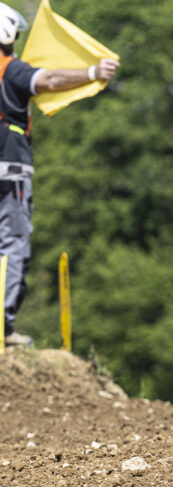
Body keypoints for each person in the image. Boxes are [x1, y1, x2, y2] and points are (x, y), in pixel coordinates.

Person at [0, 2, 119, 347]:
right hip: (10, 168)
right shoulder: (11, 70)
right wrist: (93, 72)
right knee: (12, 244)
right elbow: (48, 79)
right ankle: (2, 326)